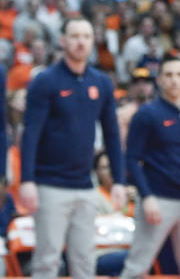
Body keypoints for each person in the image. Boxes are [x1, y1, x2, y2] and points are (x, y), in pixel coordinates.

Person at [21, 16, 125, 279]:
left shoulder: (101, 82)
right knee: (47, 259)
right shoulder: (46, 81)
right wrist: (27, 180)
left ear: (92, 41)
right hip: (49, 185)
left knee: (85, 261)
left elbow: (112, 134)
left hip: (85, 185)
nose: (81, 42)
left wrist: (120, 181)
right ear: (63, 41)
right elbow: (30, 133)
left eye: (86, 37)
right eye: (75, 36)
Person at [120, 57, 180, 279]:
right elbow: (131, 159)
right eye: (168, 75)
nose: (174, 80)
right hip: (157, 199)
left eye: (179, 75)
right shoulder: (147, 114)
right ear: (159, 80)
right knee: (138, 267)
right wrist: (146, 196)